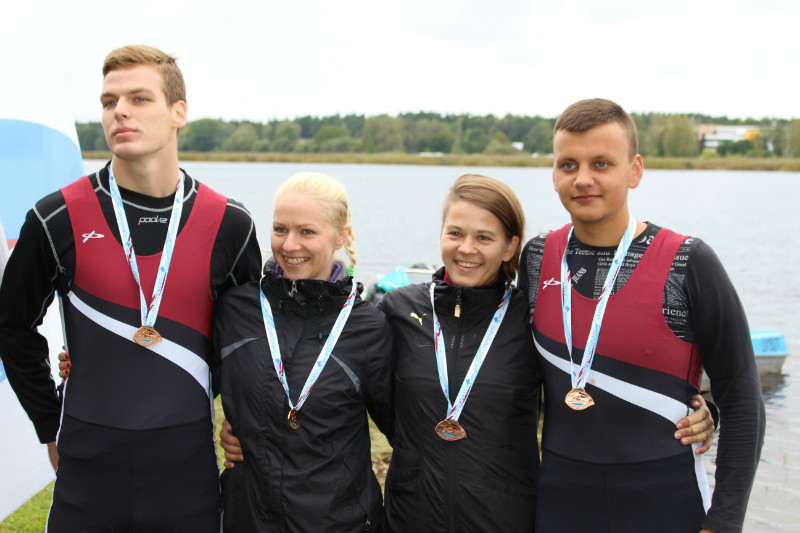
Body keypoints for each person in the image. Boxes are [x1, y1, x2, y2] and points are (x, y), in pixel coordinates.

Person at [219, 173, 715, 532]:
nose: (466, 248)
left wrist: (698, 410)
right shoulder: (397, 311)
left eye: (484, 237)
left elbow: (597, 378)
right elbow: (368, 407)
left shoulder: (531, 316)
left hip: (505, 519)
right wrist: (253, 431)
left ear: (510, 247)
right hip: (410, 518)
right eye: (455, 233)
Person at [0, 45, 261, 532]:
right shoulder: (56, 217)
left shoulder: (230, 223)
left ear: (178, 112)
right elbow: (11, 325)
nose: (119, 110)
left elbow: (248, 344)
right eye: (109, 101)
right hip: (86, 469)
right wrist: (49, 422)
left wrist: (239, 419)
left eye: (139, 98)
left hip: (186, 472)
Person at [519, 98, 765, 533]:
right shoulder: (537, 258)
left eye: (601, 163)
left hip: (667, 502)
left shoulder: (688, 262)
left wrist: (724, 521)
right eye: (568, 165)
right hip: (562, 502)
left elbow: (743, 397)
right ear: (554, 174)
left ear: (634, 171)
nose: (583, 179)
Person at [214, 172, 393, 532]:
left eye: (307, 232)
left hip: (339, 523)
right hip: (246, 519)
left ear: (340, 235)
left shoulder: (368, 327)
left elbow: (404, 432)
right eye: (280, 229)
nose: (289, 245)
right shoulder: (237, 309)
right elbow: (188, 388)